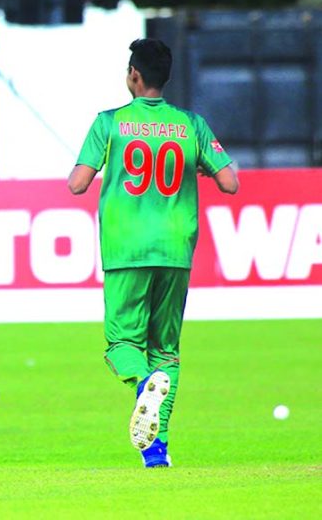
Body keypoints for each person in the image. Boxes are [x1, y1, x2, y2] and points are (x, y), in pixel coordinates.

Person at [68, 39, 239, 467]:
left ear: (133, 76)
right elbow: (231, 182)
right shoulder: (190, 124)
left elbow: (76, 183)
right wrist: (199, 165)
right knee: (167, 350)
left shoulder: (110, 123)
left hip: (126, 247)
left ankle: (144, 383)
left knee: (121, 343)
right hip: (176, 246)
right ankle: (156, 451)